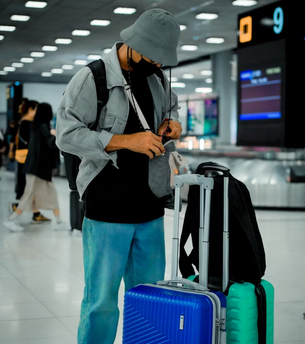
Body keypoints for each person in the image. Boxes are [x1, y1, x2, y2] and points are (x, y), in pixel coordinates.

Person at [56, 8, 182, 344]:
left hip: (150, 207)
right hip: (107, 206)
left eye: (162, 60)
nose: (157, 64)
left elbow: (173, 107)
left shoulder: (156, 78)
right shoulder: (92, 78)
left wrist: (174, 124)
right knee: (101, 302)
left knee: (151, 297)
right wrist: (129, 142)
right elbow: (66, 135)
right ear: (135, 43)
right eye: (154, 57)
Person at [4, 103, 67, 232]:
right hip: (38, 169)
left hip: (37, 168)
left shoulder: (35, 126)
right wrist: (55, 135)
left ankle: (59, 221)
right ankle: (11, 220)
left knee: (47, 194)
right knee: (30, 195)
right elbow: (51, 143)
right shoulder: (43, 126)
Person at [8, 100, 51, 222]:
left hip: (25, 158)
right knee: (30, 188)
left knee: (30, 188)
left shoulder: (23, 123)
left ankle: (35, 213)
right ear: (30, 110)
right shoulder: (29, 124)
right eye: (35, 109)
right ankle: (18, 209)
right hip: (28, 159)